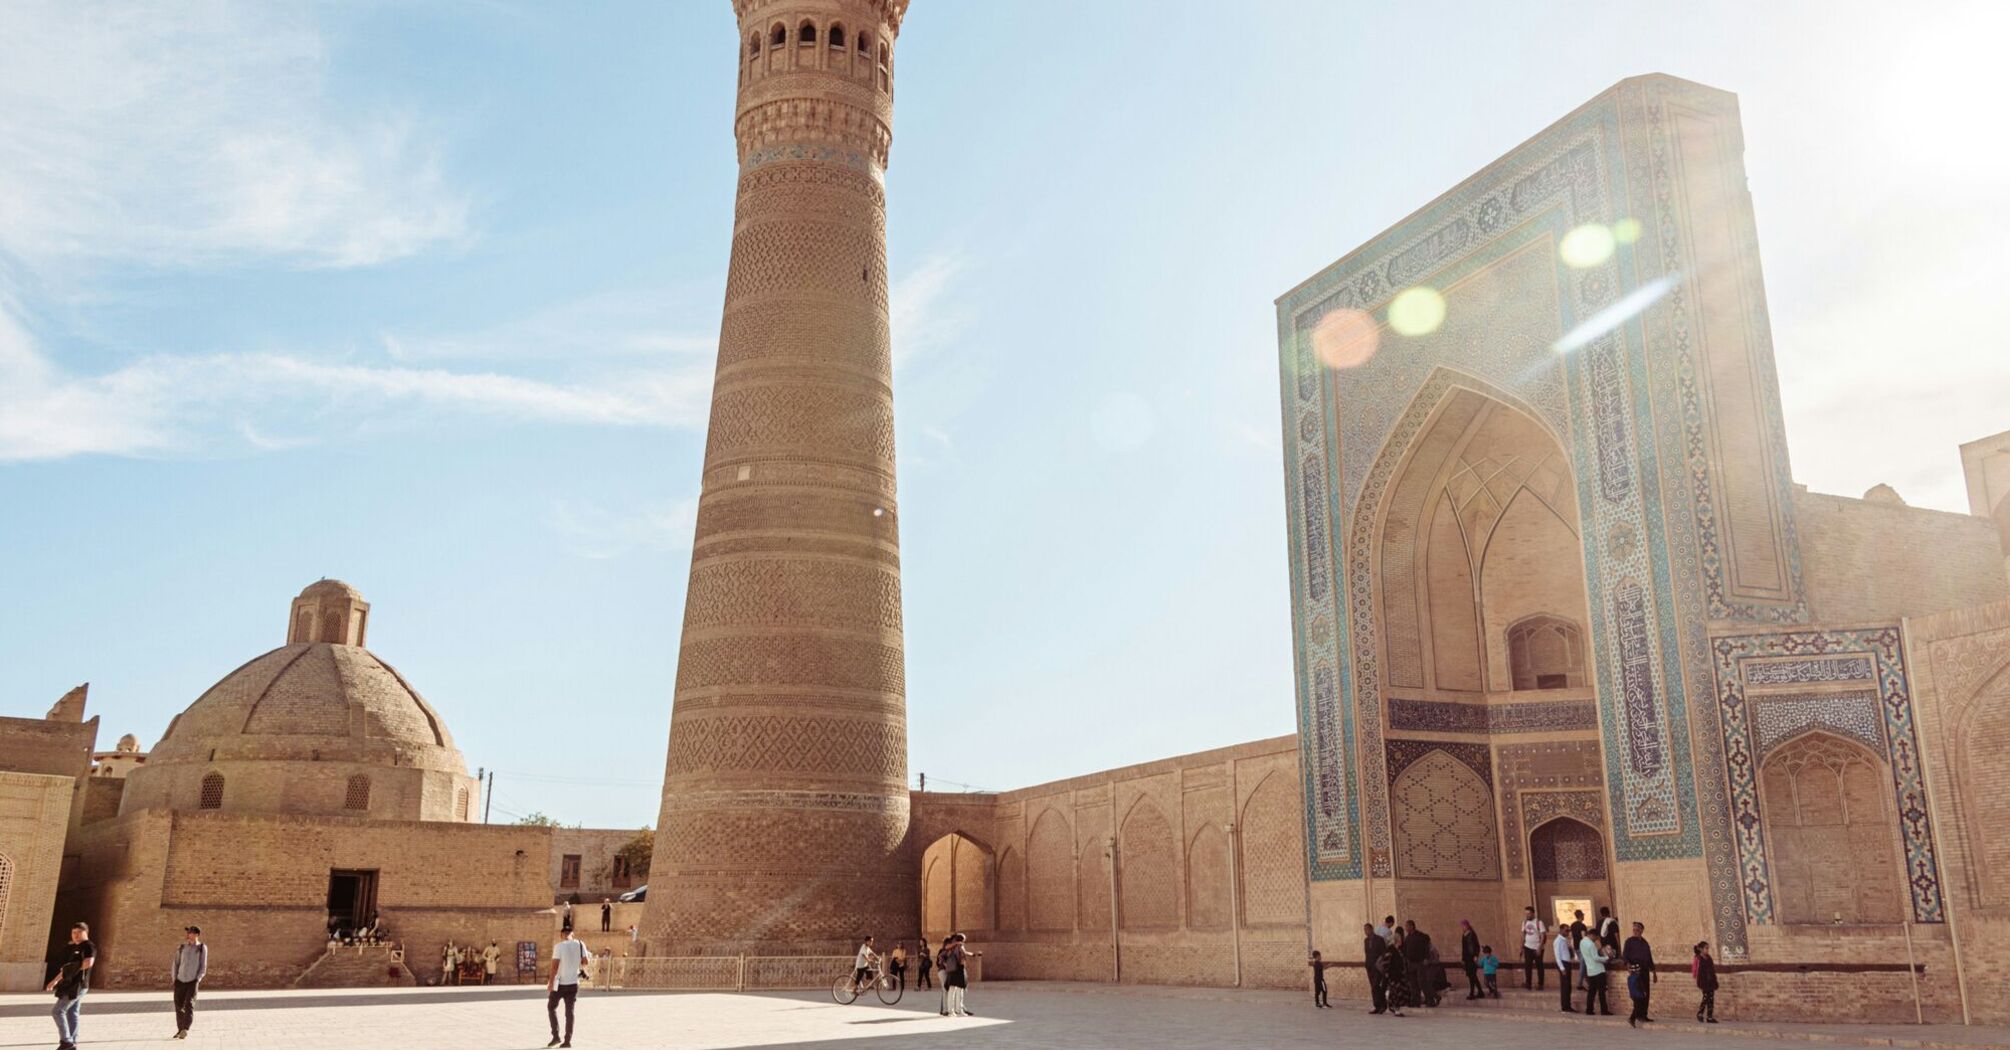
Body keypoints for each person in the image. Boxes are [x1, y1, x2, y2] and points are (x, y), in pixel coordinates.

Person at [46, 921, 95, 1050]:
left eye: (79, 932)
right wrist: (55, 981)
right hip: (72, 984)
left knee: (57, 1011)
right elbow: (67, 969)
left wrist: (73, 968)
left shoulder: (88, 946)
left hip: (78, 985)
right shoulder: (75, 948)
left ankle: (66, 1042)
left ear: (86, 933)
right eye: (74, 933)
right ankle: (72, 1042)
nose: (76, 935)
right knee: (72, 1012)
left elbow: (88, 963)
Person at [546, 929, 592, 1048]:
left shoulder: (559, 946)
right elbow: (585, 962)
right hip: (573, 983)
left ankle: (556, 1036)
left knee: (551, 1007)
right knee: (569, 1013)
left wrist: (550, 983)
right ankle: (567, 1041)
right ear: (572, 934)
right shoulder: (581, 944)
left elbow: (554, 966)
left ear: (561, 935)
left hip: (560, 984)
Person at [171, 925, 208, 1039]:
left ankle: (185, 1028)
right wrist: (174, 979)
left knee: (189, 1005)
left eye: (190, 932)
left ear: (196, 934)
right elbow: (175, 964)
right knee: (178, 1005)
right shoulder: (182, 947)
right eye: (188, 932)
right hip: (180, 980)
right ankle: (180, 1029)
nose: (188, 935)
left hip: (192, 981)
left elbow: (203, 965)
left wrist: (198, 978)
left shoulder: (202, 948)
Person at [1622, 922, 1657, 1027]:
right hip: (1635, 970)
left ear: (1642, 930)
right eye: (1634, 929)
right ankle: (1634, 1016)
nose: (1635, 931)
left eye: (1638, 929)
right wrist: (1628, 965)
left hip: (1645, 970)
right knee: (1638, 994)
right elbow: (1625, 955)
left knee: (1646, 993)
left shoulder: (1645, 943)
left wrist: (1654, 971)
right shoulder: (1629, 941)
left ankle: (1643, 1015)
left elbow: (1649, 958)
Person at [1578, 925, 1611, 1016]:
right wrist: (1606, 958)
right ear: (1592, 935)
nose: (1596, 939)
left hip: (1590, 970)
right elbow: (1596, 958)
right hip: (1598, 970)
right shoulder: (1590, 944)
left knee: (1591, 992)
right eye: (1596, 937)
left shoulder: (1582, 942)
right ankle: (1604, 1010)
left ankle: (1589, 1009)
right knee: (1601, 992)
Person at [944, 933, 979, 1017]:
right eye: (963, 940)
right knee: (955, 990)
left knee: (957, 990)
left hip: (956, 969)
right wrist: (957, 944)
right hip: (956, 969)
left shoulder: (956, 946)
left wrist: (973, 954)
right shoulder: (955, 946)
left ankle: (956, 1010)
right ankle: (953, 1010)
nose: (964, 942)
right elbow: (948, 948)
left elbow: (964, 953)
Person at [1380, 927, 1412, 1017]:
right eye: (1399, 939)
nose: (1401, 940)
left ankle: (1394, 1008)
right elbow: (1386, 963)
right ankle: (1396, 1009)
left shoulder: (1398, 950)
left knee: (1397, 992)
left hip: (1399, 975)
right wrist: (1387, 974)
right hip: (1394, 975)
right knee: (1396, 992)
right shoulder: (1391, 950)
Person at [1401, 920, 1433, 1007]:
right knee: (1413, 983)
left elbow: (1427, 948)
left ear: (1412, 926)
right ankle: (1416, 1001)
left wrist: (1426, 958)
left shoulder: (1421, 936)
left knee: (1422, 982)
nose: (1406, 928)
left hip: (1420, 962)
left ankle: (1430, 999)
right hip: (1411, 963)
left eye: (1407, 926)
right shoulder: (1407, 938)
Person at [1363, 923, 1388, 1014]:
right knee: (1373, 987)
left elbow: (1384, 952)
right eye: (1364, 930)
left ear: (1371, 929)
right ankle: (1376, 1006)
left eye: (1367, 929)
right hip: (1369, 966)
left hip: (1377, 967)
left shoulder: (1379, 939)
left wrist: (1381, 963)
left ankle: (1382, 1005)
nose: (1366, 931)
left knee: (1376, 986)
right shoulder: (1366, 941)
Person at [1691, 941, 1719, 1023]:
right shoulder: (1698, 958)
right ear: (1701, 949)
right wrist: (1695, 977)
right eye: (1706, 948)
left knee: (1711, 998)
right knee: (1706, 997)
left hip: (1711, 980)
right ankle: (1700, 1013)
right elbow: (1695, 968)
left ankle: (1709, 1017)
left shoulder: (1709, 957)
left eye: (1708, 948)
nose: (1707, 950)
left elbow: (1712, 968)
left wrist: (1714, 978)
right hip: (1703, 980)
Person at [1520, 906, 1546, 989]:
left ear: (1533, 913)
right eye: (1526, 914)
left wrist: (1539, 947)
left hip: (1537, 947)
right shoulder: (1524, 923)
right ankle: (1528, 983)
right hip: (1527, 946)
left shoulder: (1539, 922)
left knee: (1539, 966)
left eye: (1529, 913)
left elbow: (1543, 936)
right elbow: (1523, 935)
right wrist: (1521, 947)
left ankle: (1540, 984)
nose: (1527, 915)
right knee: (1528, 966)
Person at [1553, 924, 1576, 1013]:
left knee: (1568, 986)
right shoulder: (1558, 941)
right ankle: (1565, 1006)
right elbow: (1557, 955)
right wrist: (1562, 968)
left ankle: (1568, 1005)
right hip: (1563, 963)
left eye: (1569, 931)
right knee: (1565, 986)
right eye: (1566, 931)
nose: (1568, 932)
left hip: (1567, 962)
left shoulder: (1565, 940)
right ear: (1561, 930)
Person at [1458, 919, 1482, 1000]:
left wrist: (1476, 955)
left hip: (1472, 957)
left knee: (1472, 975)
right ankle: (1479, 991)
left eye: (1463, 926)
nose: (1462, 927)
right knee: (1472, 976)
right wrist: (1463, 959)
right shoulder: (1464, 935)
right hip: (1467, 958)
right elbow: (1464, 948)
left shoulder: (1472, 934)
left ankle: (1473, 992)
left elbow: (1476, 946)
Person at [1569, 909, 1588, 989]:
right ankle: (1579, 983)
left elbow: (1571, 936)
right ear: (1581, 916)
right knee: (1583, 965)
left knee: (1584, 964)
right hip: (1582, 947)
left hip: (1576, 946)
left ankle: (1588, 982)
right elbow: (1583, 936)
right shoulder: (1582, 926)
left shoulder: (1572, 925)